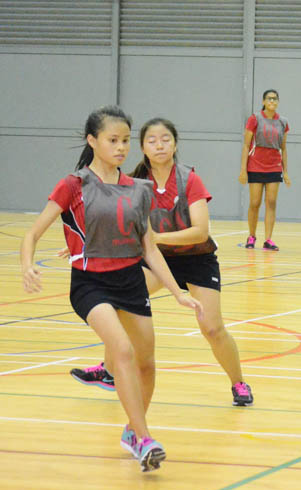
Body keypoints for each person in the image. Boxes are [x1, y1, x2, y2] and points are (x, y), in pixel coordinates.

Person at [20, 106, 203, 472]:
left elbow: (149, 247)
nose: (121, 148)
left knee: (147, 365)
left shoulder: (138, 189)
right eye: (112, 140)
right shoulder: (74, 185)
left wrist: (177, 291)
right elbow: (32, 232)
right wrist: (27, 264)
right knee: (120, 349)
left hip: (130, 282)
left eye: (124, 141)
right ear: (93, 141)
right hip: (90, 283)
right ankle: (145, 436)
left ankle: (132, 433)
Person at [70, 117, 253, 407]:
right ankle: (108, 370)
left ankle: (238, 382)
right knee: (117, 302)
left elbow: (200, 230)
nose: (159, 145)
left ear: (175, 143)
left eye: (165, 139)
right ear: (142, 147)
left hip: (197, 259)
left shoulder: (188, 178)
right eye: (152, 140)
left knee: (212, 328)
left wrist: (155, 239)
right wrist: (86, 241)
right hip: (156, 260)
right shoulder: (131, 183)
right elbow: (109, 218)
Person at [238, 89, 290, 251]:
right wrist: (243, 170)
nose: (272, 101)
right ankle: (251, 235)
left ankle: (268, 239)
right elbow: (246, 145)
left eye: (275, 99)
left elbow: (283, 148)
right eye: (269, 99)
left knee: (271, 202)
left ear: (278, 101)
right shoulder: (255, 119)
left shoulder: (283, 122)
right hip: (256, 165)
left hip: (274, 166)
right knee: (255, 202)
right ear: (263, 101)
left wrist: (285, 171)